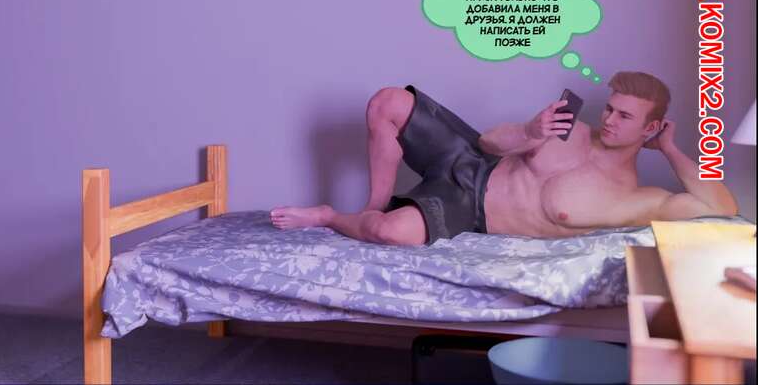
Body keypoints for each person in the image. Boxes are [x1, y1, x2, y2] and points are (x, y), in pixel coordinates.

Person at [270, 71, 738, 246]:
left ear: (651, 128)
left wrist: (671, 149)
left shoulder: (633, 199)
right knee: (388, 100)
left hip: (470, 209)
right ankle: (372, 205)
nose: (610, 119)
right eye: (610, 108)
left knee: (388, 232)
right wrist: (532, 131)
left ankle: (331, 217)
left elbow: (721, 207)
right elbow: (489, 142)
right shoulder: (571, 128)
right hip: (474, 161)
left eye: (625, 116)